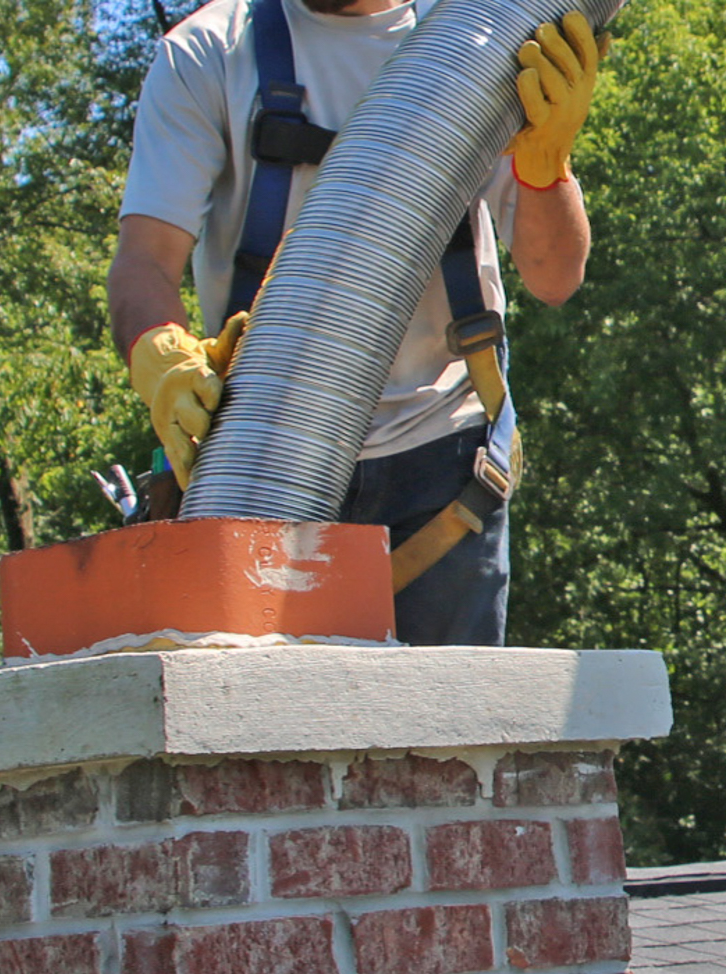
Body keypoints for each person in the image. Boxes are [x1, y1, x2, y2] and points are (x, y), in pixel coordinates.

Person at [107, 0, 604, 645]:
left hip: (445, 475)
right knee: (256, 733)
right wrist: (162, 359)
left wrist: (546, 168)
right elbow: (144, 260)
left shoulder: (485, 34)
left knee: (446, 736)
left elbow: (555, 276)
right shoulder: (210, 53)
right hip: (261, 452)